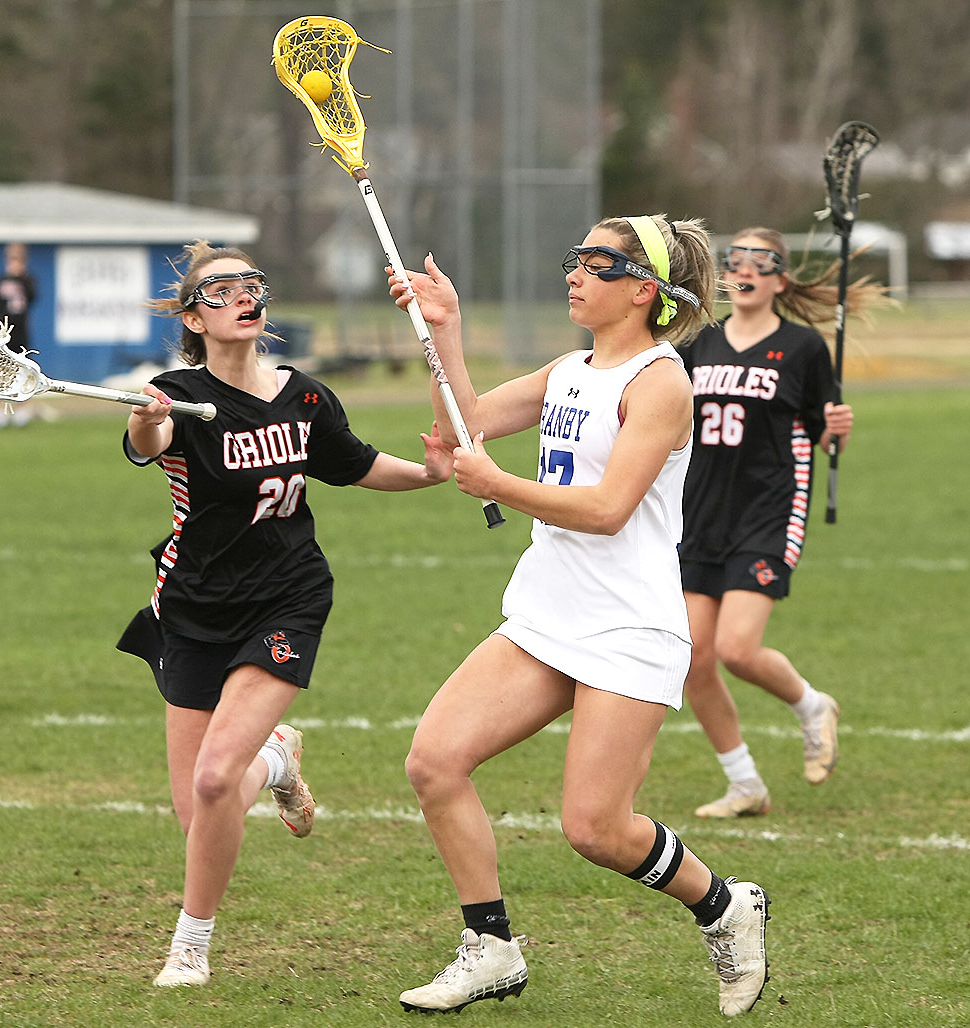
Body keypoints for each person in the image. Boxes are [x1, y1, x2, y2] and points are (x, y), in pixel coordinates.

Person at [386, 215, 771, 1018]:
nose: (575, 273)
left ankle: (726, 905)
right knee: (435, 762)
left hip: (629, 623)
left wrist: (499, 485)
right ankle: (491, 947)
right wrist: (444, 330)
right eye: (575, 258)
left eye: (596, 262)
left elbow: (605, 509)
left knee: (597, 830)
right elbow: (470, 422)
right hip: (547, 610)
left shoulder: (660, 384)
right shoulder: (571, 368)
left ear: (645, 291)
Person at [114, 240, 454, 989]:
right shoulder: (172, 392)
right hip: (193, 607)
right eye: (219, 289)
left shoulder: (303, 396)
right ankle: (276, 758)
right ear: (194, 318)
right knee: (198, 809)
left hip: (287, 597)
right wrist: (148, 417)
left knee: (210, 785)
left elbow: (357, 465)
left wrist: (431, 475)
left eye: (250, 284)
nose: (241, 295)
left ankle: (189, 948)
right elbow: (150, 442)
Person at [678, 228, 884, 819]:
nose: (744, 268)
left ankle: (813, 706)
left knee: (738, 649)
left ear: (779, 280)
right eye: (733, 259)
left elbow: (823, 432)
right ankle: (745, 784)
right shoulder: (699, 341)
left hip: (769, 512)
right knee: (694, 657)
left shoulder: (802, 349)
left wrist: (835, 429)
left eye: (758, 261)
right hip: (699, 515)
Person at [0, 242, 38, 426]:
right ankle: (0, 409)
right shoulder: (0, 280)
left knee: (24, 369)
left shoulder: (28, 279)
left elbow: (33, 297)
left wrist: (20, 277)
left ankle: (23, 408)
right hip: (3, 331)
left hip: (21, 331)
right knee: (0, 370)